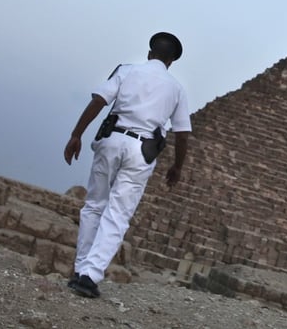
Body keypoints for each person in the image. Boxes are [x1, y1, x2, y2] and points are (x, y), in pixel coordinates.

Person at [62, 32, 191, 298]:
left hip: (112, 139)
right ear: (171, 61)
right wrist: (177, 166)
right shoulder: (177, 89)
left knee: (94, 205)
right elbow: (182, 133)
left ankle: (80, 269)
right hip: (142, 150)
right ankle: (90, 275)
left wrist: (76, 134)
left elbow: (99, 101)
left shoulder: (127, 71)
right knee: (118, 213)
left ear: (149, 53)